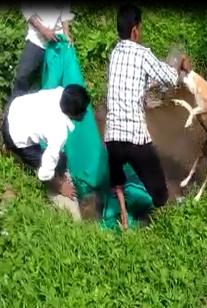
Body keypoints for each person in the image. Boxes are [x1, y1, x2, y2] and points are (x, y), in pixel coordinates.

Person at [104, 3, 192, 212]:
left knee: (117, 180)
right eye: (140, 28)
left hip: (111, 138)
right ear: (135, 30)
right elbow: (170, 79)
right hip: (134, 139)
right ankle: (164, 211)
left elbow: (133, 81)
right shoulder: (142, 54)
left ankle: (122, 214)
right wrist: (180, 66)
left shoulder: (115, 53)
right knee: (160, 193)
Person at [2, 84, 90, 218]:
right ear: (72, 114)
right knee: (51, 165)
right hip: (15, 136)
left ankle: (8, 145)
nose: (85, 113)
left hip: (14, 110)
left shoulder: (60, 92)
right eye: (82, 111)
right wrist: (60, 186)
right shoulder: (58, 131)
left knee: (59, 159)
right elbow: (44, 172)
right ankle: (10, 149)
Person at [9, 4, 74, 101]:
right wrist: (43, 30)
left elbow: (65, 12)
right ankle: (12, 112)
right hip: (36, 39)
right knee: (22, 77)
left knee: (53, 84)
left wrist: (66, 33)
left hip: (56, 42)